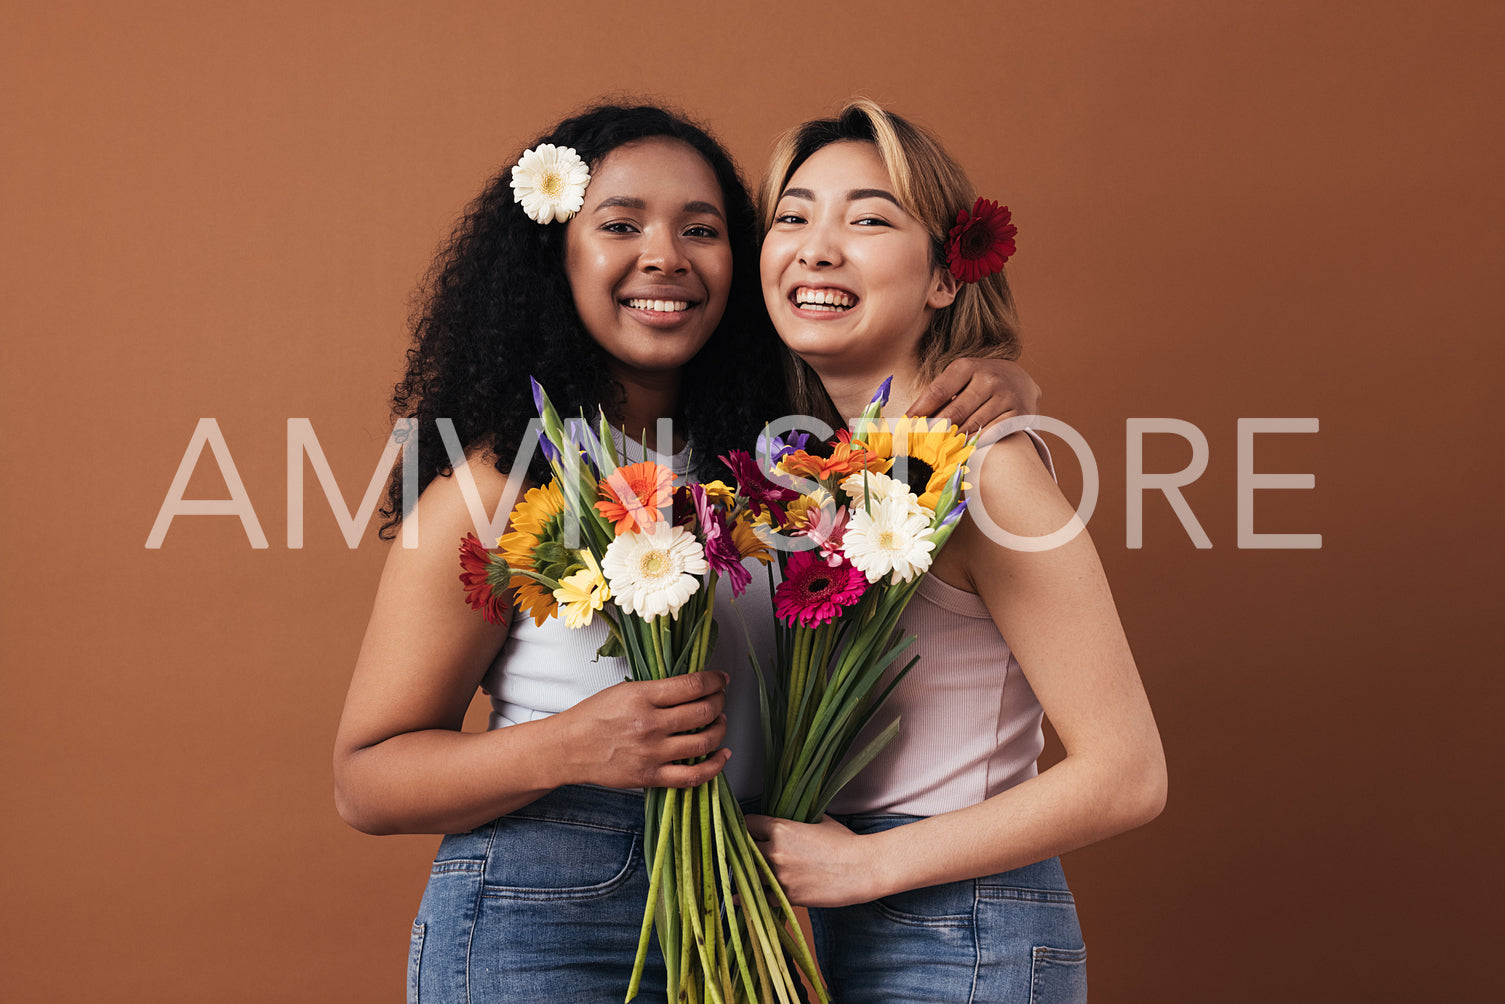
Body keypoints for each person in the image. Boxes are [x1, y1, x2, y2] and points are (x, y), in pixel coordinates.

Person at [331, 101, 1042, 1002]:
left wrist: (1002, 376)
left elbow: (906, 394)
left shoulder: (785, 461)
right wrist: (570, 748)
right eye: (620, 225)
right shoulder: (499, 482)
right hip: (543, 912)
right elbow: (366, 780)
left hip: (744, 912)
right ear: (557, 256)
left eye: (700, 230)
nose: (664, 256)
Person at [745, 99, 1168, 1003]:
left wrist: (865, 868)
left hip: (955, 930)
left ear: (945, 276)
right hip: (814, 920)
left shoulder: (990, 470)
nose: (817, 246)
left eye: (866, 218)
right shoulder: (796, 464)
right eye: (792, 215)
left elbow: (1126, 773)